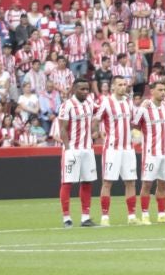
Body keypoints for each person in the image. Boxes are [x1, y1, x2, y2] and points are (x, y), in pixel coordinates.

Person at [55, 77, 101, 227]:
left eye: (87, 89)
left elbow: (100, 112)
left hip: (87, 149)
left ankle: (85, 217)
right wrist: (68, 149)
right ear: (74, 89)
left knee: (87, 181)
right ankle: (66, 218)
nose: (86, 92)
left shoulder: (89, 103)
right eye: (82, 89)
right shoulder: (67, 106)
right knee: (67, 182)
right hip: (72, 149)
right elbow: (62, 128)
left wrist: (95, 131)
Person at [96, 81, 140, 227]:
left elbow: (134, 121)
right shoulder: (106, 102)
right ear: (113, 87)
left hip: (128, 148)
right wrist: (96, 134)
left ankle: (132, 216)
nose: (123, 87)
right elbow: (96, 119)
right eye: (120, 84)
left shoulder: (129, 103)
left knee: (131, 181)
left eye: (124, 84)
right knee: (108, 182)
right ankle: (105, 217)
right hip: (112, 149)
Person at [135, 80, 165, 225]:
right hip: (151, 153)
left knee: (163, 184)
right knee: (147, 184)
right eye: (160, 90)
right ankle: (145, 215)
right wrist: (140, 108)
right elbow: (134, 123)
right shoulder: (146, 108)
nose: (163, 92)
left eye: (164, 90)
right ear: (151, 91)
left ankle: (162, 215)